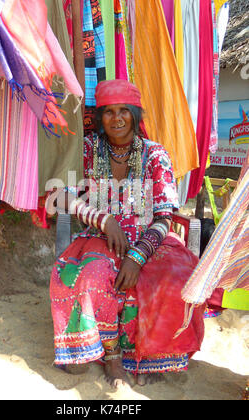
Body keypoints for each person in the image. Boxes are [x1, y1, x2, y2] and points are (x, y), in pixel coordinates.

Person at [49, 79, 205, 389]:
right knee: (92, 274)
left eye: (124, 111)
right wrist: (103, 220)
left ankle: (149, 354)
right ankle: (111, 355)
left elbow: (164, 216)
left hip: (151, 239)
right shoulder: (88, 149)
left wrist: (136, 256)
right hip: (99, 235)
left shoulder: (155, 154)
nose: (117, 119)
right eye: (109, 112)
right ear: (99, 116)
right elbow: (60, 194)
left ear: (135, 115)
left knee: (173, 281)